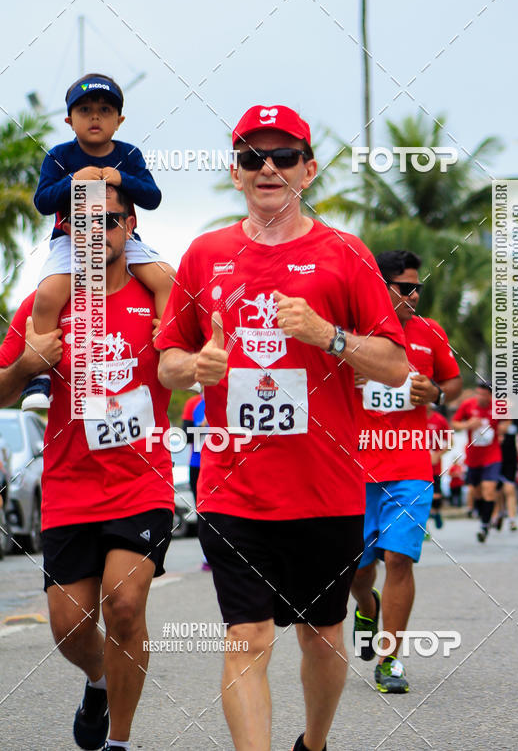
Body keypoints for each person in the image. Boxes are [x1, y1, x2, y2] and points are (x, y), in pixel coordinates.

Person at [156, 103, 408, 751]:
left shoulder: (345, 255)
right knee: (249, 636)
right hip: (232, 490)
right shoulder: (205, 255)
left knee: (323, 634)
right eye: (251, 156)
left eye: (284, 155)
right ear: (235, 172)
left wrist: (329, 335)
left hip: (324, 491)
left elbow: (394, 364)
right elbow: (167, 363)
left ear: (309, 168)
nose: (267, 167)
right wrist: (196, 366)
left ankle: (314, 744)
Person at [0, 185, 174, 751]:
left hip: (142, 482)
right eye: (84, 224)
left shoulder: (161, 301)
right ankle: (98, 682)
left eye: (112, 221)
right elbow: (3, 392)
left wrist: (186, 359)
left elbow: (203, 368)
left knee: (124, 605)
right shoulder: (43, 304)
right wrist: (27, 364)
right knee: (70, 626)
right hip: (71, 486)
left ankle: (118, 743)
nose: (98, 233)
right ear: (68, 232)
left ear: (132, 226)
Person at [23, 72, 175, 410]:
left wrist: (124, 178)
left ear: (119, 121)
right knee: (48, 293)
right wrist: (73, 182)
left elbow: (152, 197)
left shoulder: (129, 155)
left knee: (166, 277)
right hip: (68, 237)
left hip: (120, 236)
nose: (95, 116)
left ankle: (169, 351)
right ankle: (39, 377)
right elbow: (43, 202)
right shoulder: (59, 156)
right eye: (85, 109)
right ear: (69, 120)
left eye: (105, 110)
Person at [350, 250, 462, 693]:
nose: (415, 295)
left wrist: (434, 392)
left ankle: (389, 659)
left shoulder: (430, 332)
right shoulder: (353, 333)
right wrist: (348, 378)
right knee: (356, 573)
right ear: (381, 287)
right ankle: (366, 606)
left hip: (409, 466)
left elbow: (452, 384)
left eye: (418, 287)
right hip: (354, 469)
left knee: (399, 558)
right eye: (406, 288)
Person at [452, 382, 501, 543]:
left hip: (492, 455)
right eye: (478, 393)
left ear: (490, 396)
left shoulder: (498, 407)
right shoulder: (468, 405)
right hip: (473, 456)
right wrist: (468, 424)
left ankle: (484, 525)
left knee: (489, 489)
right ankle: (484, 516)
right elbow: (455, 423)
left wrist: (503, 429)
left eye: (484, 394)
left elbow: (508, 421)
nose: (480, 397)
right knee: (477, 491)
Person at [493, 419, 518, 531]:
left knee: (509, 489)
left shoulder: (517, 421)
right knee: (497, 491)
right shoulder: (496, 418)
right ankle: (499, 513)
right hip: (495, 458)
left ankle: (512, 519)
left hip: (511, 460)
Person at [426, 402, 453, 530]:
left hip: (434, 465)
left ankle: (436, 512)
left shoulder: (439, 420)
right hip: (416, 466)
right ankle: (423, 526)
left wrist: (437, 454)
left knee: (435, 495)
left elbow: (450, 442)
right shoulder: (412, 417)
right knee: (419, 496)